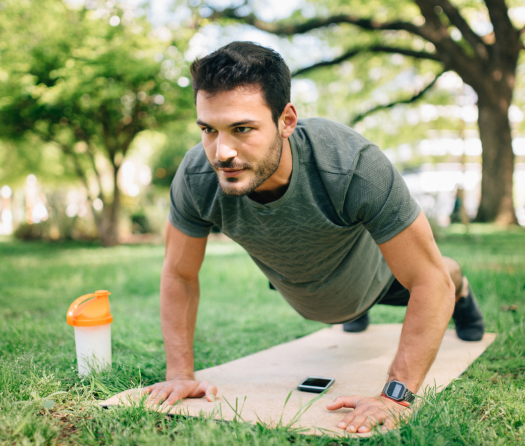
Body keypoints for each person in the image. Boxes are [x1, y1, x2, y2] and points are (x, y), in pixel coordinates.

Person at [143, 41, 484, 434]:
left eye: (242, 129)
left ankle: (464, 291)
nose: (221, 152)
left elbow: (428, 281)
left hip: (374, 276)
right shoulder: (196, 178)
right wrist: (180, 373)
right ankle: (356, 313)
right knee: (341, 302)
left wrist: (394, 396)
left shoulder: (352, 166)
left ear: (286, 120)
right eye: (208, 129)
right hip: (305, 288)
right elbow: (179, 275)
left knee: (442, 273)